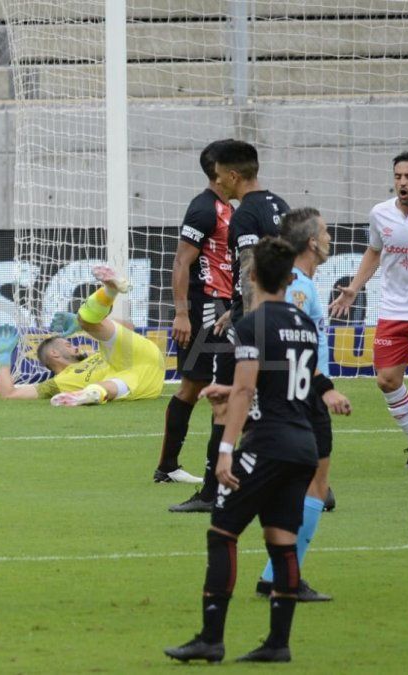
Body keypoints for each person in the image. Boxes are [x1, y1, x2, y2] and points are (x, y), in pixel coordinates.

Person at [164, 237, 321, 664]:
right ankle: (278, 644)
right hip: (302, 443)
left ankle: (210, 638)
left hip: (267, 442)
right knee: (281, 541)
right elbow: (289, 382)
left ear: (251, 276)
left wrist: (226, 450)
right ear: (290, 278)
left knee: (222, 532)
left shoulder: (252, 324)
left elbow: (248, 389)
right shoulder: (305, 324)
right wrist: (232, 388)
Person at [170, 140, 290, 513]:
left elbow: (252, 271)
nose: (217, 181)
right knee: (280, 405)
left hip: (254, 324)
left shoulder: (244, 215)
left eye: (219, 175)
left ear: (234, 175)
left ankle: (211, 493)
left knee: (224, 404)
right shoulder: (279, 205)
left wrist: (248, 322)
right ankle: (312, 485)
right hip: (280, 315)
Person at [250, 208, 351, 601]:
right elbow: (285, 340)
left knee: (301, 486)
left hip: (297, 393)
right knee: (314, 488)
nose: (329, 238)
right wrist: (323, 390)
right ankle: (283, 577)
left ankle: (274, 575)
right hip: (304, 396)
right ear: (311, 242)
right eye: (324, 232)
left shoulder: (298, 282)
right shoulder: (298, 288)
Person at [330, 151, 408, 468]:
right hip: (394, 312)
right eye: (398, 177)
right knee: (386, 380)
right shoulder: (380, 213)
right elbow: (374, 251)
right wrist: (355, 287)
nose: (402, 182)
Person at [155, 140, 234, 485]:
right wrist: (182, 314)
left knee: (197, 384)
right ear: (219, 171)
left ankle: (168, 467)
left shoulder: (227, 208)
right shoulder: (204, 209)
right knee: (208, 385)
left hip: (225, 305)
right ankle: (184, 469)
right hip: (206, 307)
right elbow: (181, 262)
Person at [0, 265, 165, 405]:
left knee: (86, 321)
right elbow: (9, 394)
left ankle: (109, 290)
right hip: (141, 383)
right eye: (68, 344)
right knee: (105, 386)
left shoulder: (100, 354)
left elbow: (129, 327)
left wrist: (80, 324)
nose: (75, 346)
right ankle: (90, 394)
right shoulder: (58, 383)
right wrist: (3, 358)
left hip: (139, 355)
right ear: (54, 353)